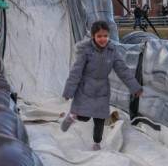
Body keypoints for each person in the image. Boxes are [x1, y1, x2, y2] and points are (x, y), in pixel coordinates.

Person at [60, 21, 143, 151]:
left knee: (99, 118)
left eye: (105, 35)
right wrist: (69, 91)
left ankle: (96, 143)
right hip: (85, 88)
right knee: (85, 116)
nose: (103, 39)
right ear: (93, 36)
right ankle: (72, 115)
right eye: (99, 36)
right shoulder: (86, 51)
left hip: (102, 90)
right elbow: (76, 72)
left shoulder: (112, 51)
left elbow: (123, 70)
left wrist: (135, 87)